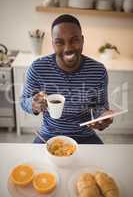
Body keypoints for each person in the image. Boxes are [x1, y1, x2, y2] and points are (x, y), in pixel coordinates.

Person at [21, 14, 113, 144]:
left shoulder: (98, 71)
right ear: (53, 44)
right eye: (60, 42)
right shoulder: (37, 68)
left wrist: (103, 118)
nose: (68, 48)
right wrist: (33, 104)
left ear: (82, 40)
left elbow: (100, 106)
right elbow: (23, 101)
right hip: (49, 135)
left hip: (85, 136)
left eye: (74, 40)